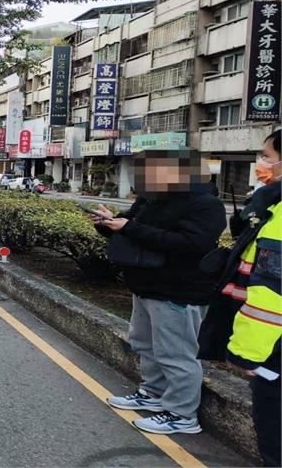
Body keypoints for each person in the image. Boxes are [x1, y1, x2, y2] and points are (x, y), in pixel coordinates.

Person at [93, 148, 226, 435]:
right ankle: (152, 393)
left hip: (179, 290)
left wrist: (129, 227)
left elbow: (190, 244)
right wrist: (108, 223)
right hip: (145, 286)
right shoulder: (151, 197)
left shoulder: (204, 204)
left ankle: (182, 414)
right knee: (146, 345)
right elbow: (132, 226)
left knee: (177, 354)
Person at [202, 130, 281, 466]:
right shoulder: (269, 207)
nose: (261, 163)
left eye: (267, 157)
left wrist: (245, 355)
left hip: (274, 354)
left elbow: (269, 296)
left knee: (274, 437)